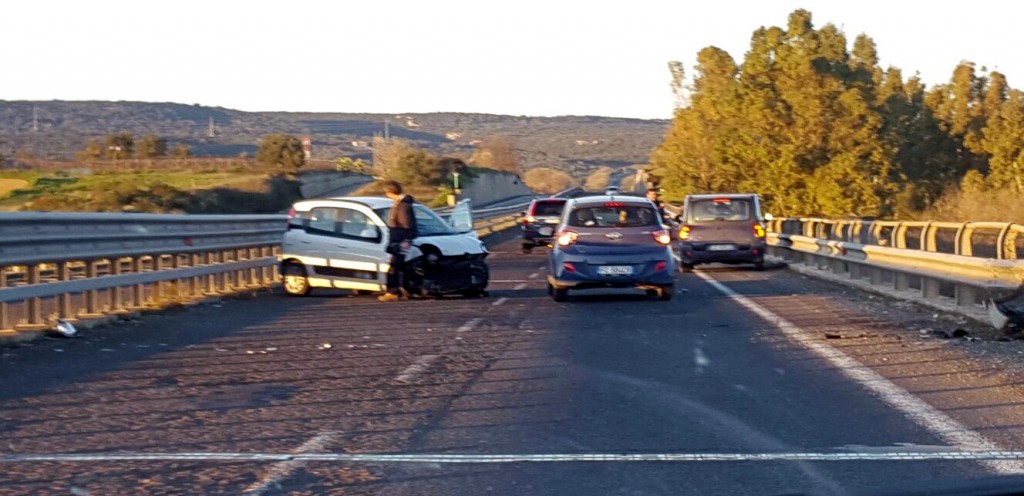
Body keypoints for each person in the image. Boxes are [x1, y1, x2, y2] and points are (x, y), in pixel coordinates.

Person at [379, 180, 418, 302]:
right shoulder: (401, 204)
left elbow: (406, 224)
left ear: (391, 192)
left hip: (401, 241)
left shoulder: (402, 206)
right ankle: (408, 290)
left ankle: (393, 292)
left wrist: (405, 240)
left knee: (394, 268)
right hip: (400, 240)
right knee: (405, 267)